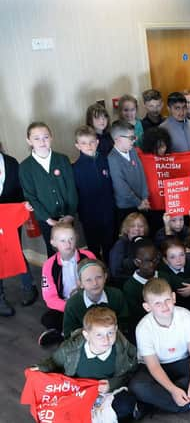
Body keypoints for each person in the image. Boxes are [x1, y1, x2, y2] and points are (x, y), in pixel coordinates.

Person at [128, 278, 190, 415]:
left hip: (181, 360)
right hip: (155, 366)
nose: (164, 306)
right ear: (147, 307)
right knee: (137, 386)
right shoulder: (143, 328)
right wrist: (173, 390)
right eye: (157, 303)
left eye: (167, 300)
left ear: (174, 297)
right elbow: (153, 366)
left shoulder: (185, 315)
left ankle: (157, 402)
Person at [37, 307, 140, 420]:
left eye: (110, 333)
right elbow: (54, 361)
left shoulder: (123, 349)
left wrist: (112, 384)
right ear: (86, 335)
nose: (106, 340)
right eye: (99, 335)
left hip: (104, 395)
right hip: (77, 393)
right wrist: (40, 368)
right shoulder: (72, 348)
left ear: (116, 329)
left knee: (126, 403)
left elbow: (130, 372)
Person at [19, 122, 78, 257]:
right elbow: (30, 197)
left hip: (67, 216)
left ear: (51, 137)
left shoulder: (62, 159)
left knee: (70, 249)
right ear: (29, 141)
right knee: (53, 252)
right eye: (36, 138)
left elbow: (71, 189)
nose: (42, 141)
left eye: (45, 137)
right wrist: (49, 220)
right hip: (46, 220)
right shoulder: (25, 167)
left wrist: (69, 215)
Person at [40, 222, 96, 346]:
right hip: (65, 304)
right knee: (48, 318)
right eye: (63, 240)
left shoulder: (88, 256)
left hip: (88, 300)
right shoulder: (49, 265)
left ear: (76, 238)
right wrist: (70, 307)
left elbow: (97, 282)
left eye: (71, 239)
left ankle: (67, 334)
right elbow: (49, 298)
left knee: (94, 315)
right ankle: (68, 333)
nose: (68, 244)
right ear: (53, 243)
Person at [0, 144, 38, 315]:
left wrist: (22, 206)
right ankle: (0, 298)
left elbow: (19, 189)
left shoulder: (11, 162)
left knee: (15, 249)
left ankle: (29, 286)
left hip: (10, 217)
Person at [72, 125, 115, 261]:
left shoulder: (106, 161)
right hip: (89, 216)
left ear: (97, 142)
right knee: (93, 248)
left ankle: (111, 274)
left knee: (110, 245)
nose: (89, 146)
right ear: (77, 146)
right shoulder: (75, 168)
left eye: (91, 142)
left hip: (108, 212)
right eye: (84, 143)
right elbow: (75, 194)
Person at [62, 258, 128, 339]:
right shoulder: (72, 304)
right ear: (80, 283)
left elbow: (124, 324)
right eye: (88, 280)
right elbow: (69, 335)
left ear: (105, 277)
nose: (95, 283)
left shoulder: (117, 295)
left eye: (99, 277)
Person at [107, 120, 149, 226]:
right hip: (126, 207)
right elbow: (121, 187)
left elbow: (142, 174)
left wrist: (144, 197)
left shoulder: (133, 151)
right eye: (131, 138)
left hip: (141, 203)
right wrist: (138, 202)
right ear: (118, 139)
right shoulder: (112, 159)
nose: (135, 140)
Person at [157, 238, 190, 314]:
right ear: (165, 260)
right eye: (173, 257)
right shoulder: (162, 271)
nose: (178, 260)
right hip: (175, 311)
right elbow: (181, 285)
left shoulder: (189, 262)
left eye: (181, 255)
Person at [122, 237, 161, 330]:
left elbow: (182, 284)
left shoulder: (163, 276)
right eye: (147, 261)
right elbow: (137, 315)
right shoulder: (130, 287)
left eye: (155, 260)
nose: (152, 265)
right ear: (136, 262)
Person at [109, 213, 149, 287]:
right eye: (132, 226)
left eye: (140, 226)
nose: (137, 229)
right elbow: (115, 273)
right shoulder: (120, 245)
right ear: (127, 229)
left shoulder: (147, 243)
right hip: (125, 285)